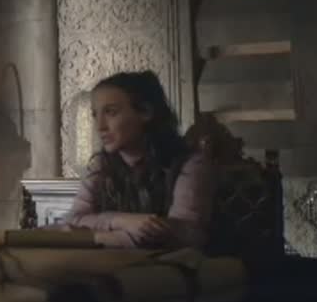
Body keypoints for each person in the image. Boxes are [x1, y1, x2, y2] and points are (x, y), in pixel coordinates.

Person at [65, 71, 215, 249]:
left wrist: (100, 236)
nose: (100, 126)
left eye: (111, 112)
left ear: (145, 112)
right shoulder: (101, 165)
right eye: (95, 115)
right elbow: (73, 220)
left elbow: (184, 234)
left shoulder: (190, 164)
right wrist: (121, 221)